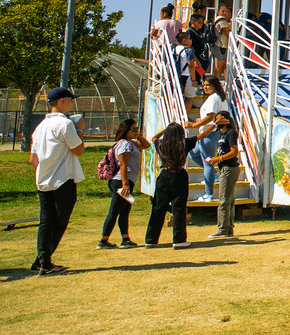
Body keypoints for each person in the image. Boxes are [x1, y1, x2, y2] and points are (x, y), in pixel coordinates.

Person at [29, 87, 86, 275]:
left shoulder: (40, 127)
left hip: (43, 179)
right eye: (70, 99)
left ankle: (42, 260)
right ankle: (44, 262)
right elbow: (78, 150)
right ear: (62, 101)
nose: (72, 103)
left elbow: (33, 159)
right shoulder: (66, 124)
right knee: (60, 221)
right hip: (62, 179)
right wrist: (79, 130)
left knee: (46, 221)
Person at [145, 122, 213, 249]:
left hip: (164, 175)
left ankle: (151, 239)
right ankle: (179, 239)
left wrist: (165, 130)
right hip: (179, 174)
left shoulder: (161, 144)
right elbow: (203, 134)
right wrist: (214, 124)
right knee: (179, 208)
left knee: (158, 208)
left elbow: (154, 138)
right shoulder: (184, 143)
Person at [98, 118, 151, 249]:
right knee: (114, 211)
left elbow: (146, 145)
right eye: (133, 129)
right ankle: (103, 241)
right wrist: (125, 184)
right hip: (120, 181)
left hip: (127, 181)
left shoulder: (131, 143)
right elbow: (123, 164)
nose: (135, 132)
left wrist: (138, 135)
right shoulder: (124, 144)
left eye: (136, 129)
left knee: (125, 211)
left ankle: (125, 238)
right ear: (125, 130)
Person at [186, 77, 229, 202]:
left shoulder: (214, 98)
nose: (205, 87)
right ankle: (214, 175)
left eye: (208, 85)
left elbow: (211, 117)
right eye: (203, 85)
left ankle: (208, 194)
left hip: (210, 134)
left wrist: (194, 125)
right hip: (210, 133)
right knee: (192, 153)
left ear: (215, 85)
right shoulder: (218, 98)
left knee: (208, 162)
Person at [206, 111, 241, 239]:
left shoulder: (230, 133)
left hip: (229, 168)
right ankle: (228, 227)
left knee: (224, 200)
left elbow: (234, 151)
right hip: (224, 168)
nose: (217, 122)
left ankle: (223, 229)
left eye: (219, 119)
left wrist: (219, 159)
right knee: (228, 199)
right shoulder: (222, 134)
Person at [211, 4, 232, 79]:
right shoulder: (222, 21)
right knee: (219, 68)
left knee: (218, 68)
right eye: (222, 11)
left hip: (216, 45)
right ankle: (214, 84)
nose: (225, 13)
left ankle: (214, 83)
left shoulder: (216, 19)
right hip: (221, 45)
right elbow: (227, 33)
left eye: (226, 11)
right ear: (218, 12)